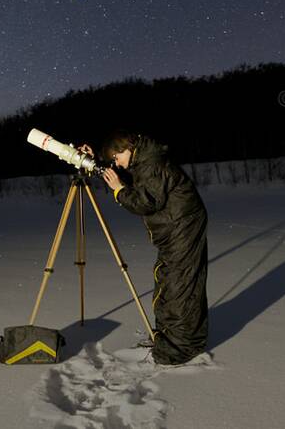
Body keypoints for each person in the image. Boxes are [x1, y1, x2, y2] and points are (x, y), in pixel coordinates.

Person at [81, 130, 208, 365]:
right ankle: (172, 339)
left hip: (182, 227)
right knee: (170, 282)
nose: (116, 164)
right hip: (176, 227)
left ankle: (179, 349)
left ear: (127, 148)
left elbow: (146, 201)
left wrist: (119, 191)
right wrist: (97, 162)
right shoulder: (144, 160)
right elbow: (135, 181)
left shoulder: (152, 164)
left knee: (178, 286)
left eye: (116, 158)